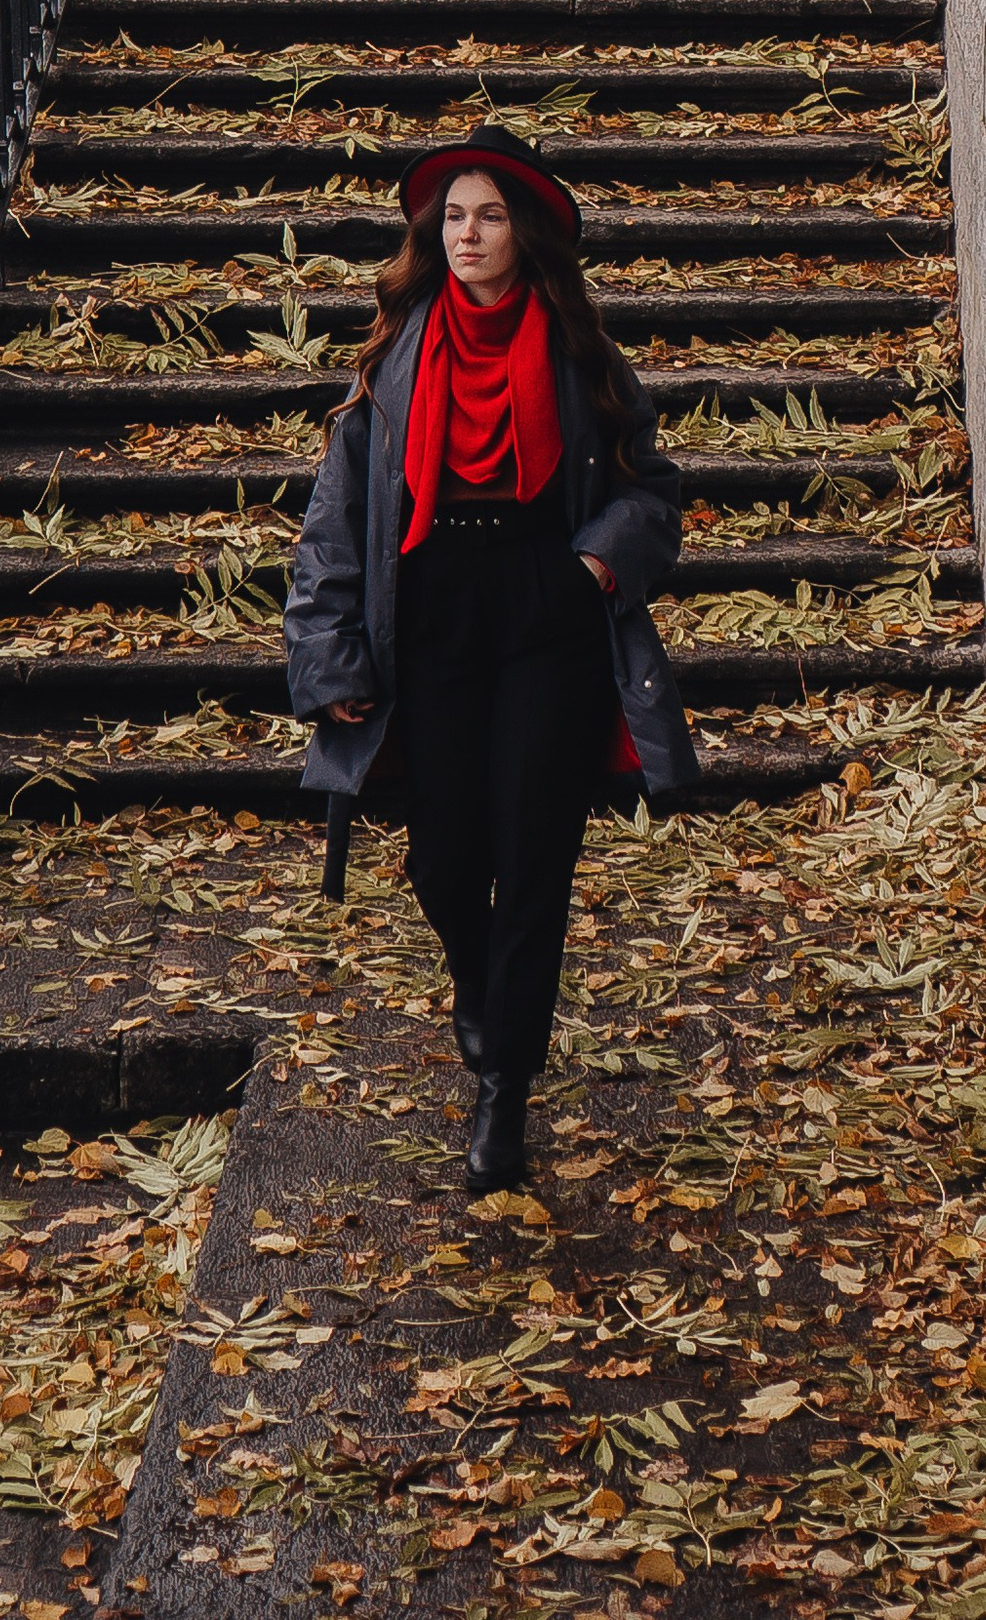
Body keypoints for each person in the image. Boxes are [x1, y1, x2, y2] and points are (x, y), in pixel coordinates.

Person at [285, 125, 693, 1190]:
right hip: (430, 612)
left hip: (543, 606)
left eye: (490, 216)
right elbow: (337, 523)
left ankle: (504, 1087)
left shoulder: (578, 354)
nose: (468, 234)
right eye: (454, 216)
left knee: (537, 851)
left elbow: (653, 493)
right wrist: (329, 660)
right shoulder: (396, 353)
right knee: (445, 857)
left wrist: (594, 569)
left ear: (526, 235)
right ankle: (481, 986)